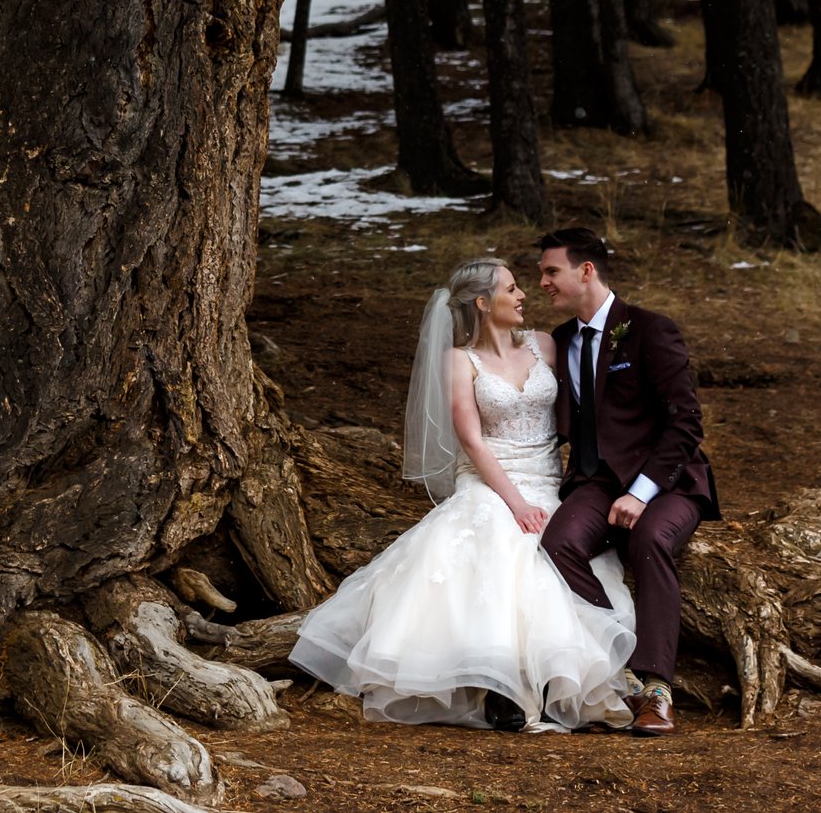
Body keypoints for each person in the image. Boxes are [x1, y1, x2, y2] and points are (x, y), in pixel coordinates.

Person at [289, 258, 639, 731]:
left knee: (557, 554)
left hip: (548, 477)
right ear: (482, 303)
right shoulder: (459, 359)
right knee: (494, 538)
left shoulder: (545, 345)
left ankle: (552, 679)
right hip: (490, 477)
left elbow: (583, 410)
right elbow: (472, 440)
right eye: (511, 289)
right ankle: (497, 685)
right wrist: (515, 502)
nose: (522, 295)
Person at [534, 226, 719, 738]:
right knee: (558, 543)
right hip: (593, 482)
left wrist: (641, 492)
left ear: (585, 270)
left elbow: (685, 422)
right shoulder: (563, 341)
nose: (544, 283)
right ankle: (614, 666)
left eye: (552, 271)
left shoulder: (649, 330)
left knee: (650, 538)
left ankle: (656, 689)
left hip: (668, 482)